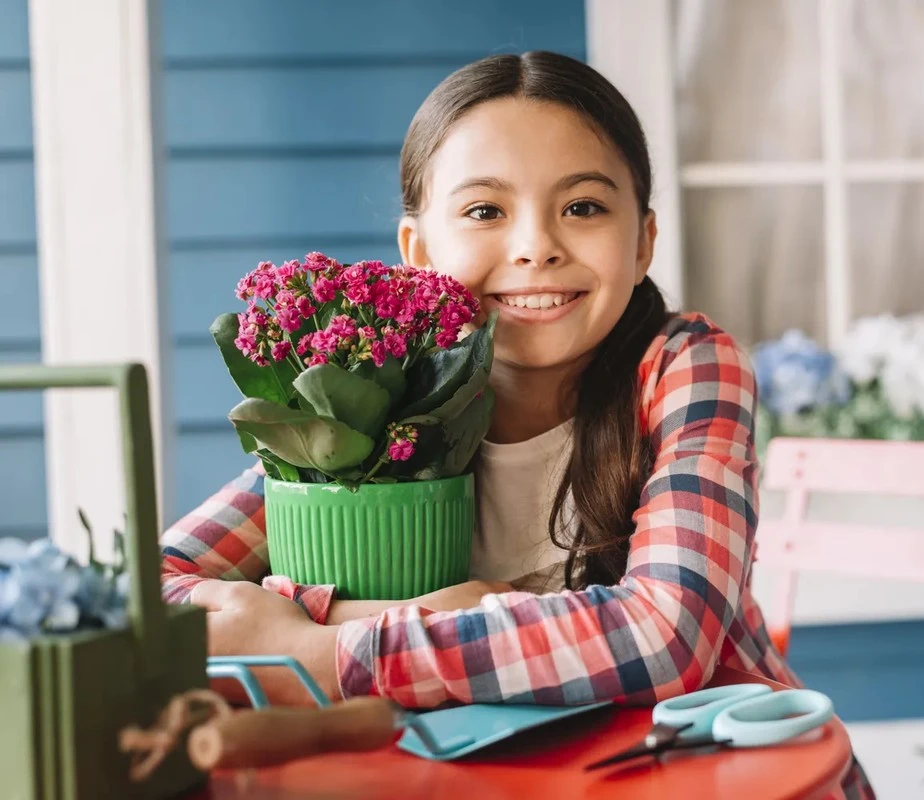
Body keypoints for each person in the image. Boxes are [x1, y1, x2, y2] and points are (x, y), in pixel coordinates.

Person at [160, 50, 873, 796]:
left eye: (584, 207)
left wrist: (326, 652)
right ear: (419, 252)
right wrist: (393, 612)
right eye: (485, 211)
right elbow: (150, 594)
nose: (536, 245)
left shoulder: (685, 368)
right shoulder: (370, 402)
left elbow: (666, 635)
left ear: (643, 242)